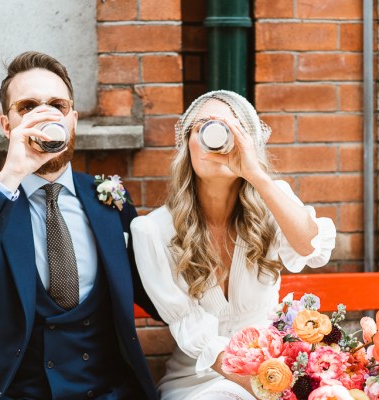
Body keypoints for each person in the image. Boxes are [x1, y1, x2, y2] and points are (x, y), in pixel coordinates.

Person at [0, 51, 159, 400]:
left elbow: (156, 293)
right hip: (12, 391)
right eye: (28, 107)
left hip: (106, 391)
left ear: (73, 119)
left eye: (57, 105)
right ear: (7, 126)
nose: (44, 114)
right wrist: (10, 178)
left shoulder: (109, 197)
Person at [130, 90, 337, 400]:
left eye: (232, 128)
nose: (218, 137)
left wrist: (257, 175)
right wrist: (271, 391)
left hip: (274, 367)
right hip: (201, 378)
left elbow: (313, 250)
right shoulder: (152, 231)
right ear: (188, 143)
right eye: (205, 126)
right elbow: (197, 337)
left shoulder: (272, 201)